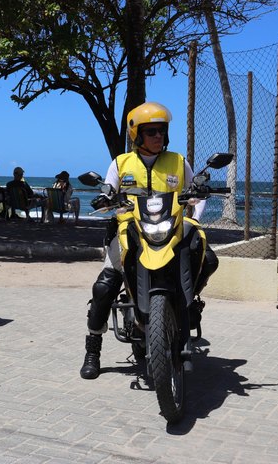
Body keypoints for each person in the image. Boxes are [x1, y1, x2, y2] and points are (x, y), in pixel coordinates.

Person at [79, 101, 219, 380]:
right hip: (129, 231)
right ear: (137, 135)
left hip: (170, 229)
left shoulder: (179, 162)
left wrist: (194, 217)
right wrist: (107, 199)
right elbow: (109, 192)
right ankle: (93, 349)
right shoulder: (121, 163)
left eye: (162, 131)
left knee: (209, 259)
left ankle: (191, 301)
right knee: (104, 287)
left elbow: (196, 193)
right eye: (151, 131)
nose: (158, 136)